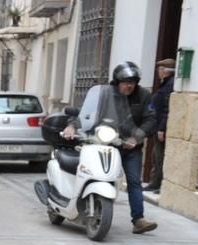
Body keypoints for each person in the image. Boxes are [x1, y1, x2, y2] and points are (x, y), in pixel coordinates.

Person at [62, 61, 158, 234]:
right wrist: (72, 126)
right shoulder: (105, 94)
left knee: (134, 181)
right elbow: (86, 112)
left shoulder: (143, 95)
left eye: (133, 82)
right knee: (87, 171)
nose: (129, 85)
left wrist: (136, 137)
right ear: (117, 81)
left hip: (129, 147)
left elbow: (151, 119)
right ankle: (73, 203)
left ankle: (138, 220)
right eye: (125, 82)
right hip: (102, 142)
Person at [144, 58, 175, 194]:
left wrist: (162, 128)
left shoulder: (170, 85)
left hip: (161, 127)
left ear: (165, 71)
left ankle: (158, 184)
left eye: (160, 69)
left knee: (159, 156)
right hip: (156, 125)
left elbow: (167, 109)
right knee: (156, 156)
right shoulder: (165, 84)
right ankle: (154, 182)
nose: (158, 72)